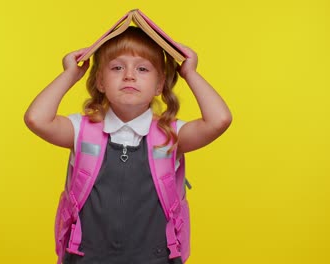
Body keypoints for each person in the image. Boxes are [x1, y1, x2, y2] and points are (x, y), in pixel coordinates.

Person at [24, 26, 232, 264]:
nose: (129, 75)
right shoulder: (81, 130)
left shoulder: (171, 135)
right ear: (100, 81)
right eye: (117, 67)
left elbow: (220, 120)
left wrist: (190, 72)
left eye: (142, 68)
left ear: (159, 85)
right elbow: (36, 119)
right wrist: (70, 74)